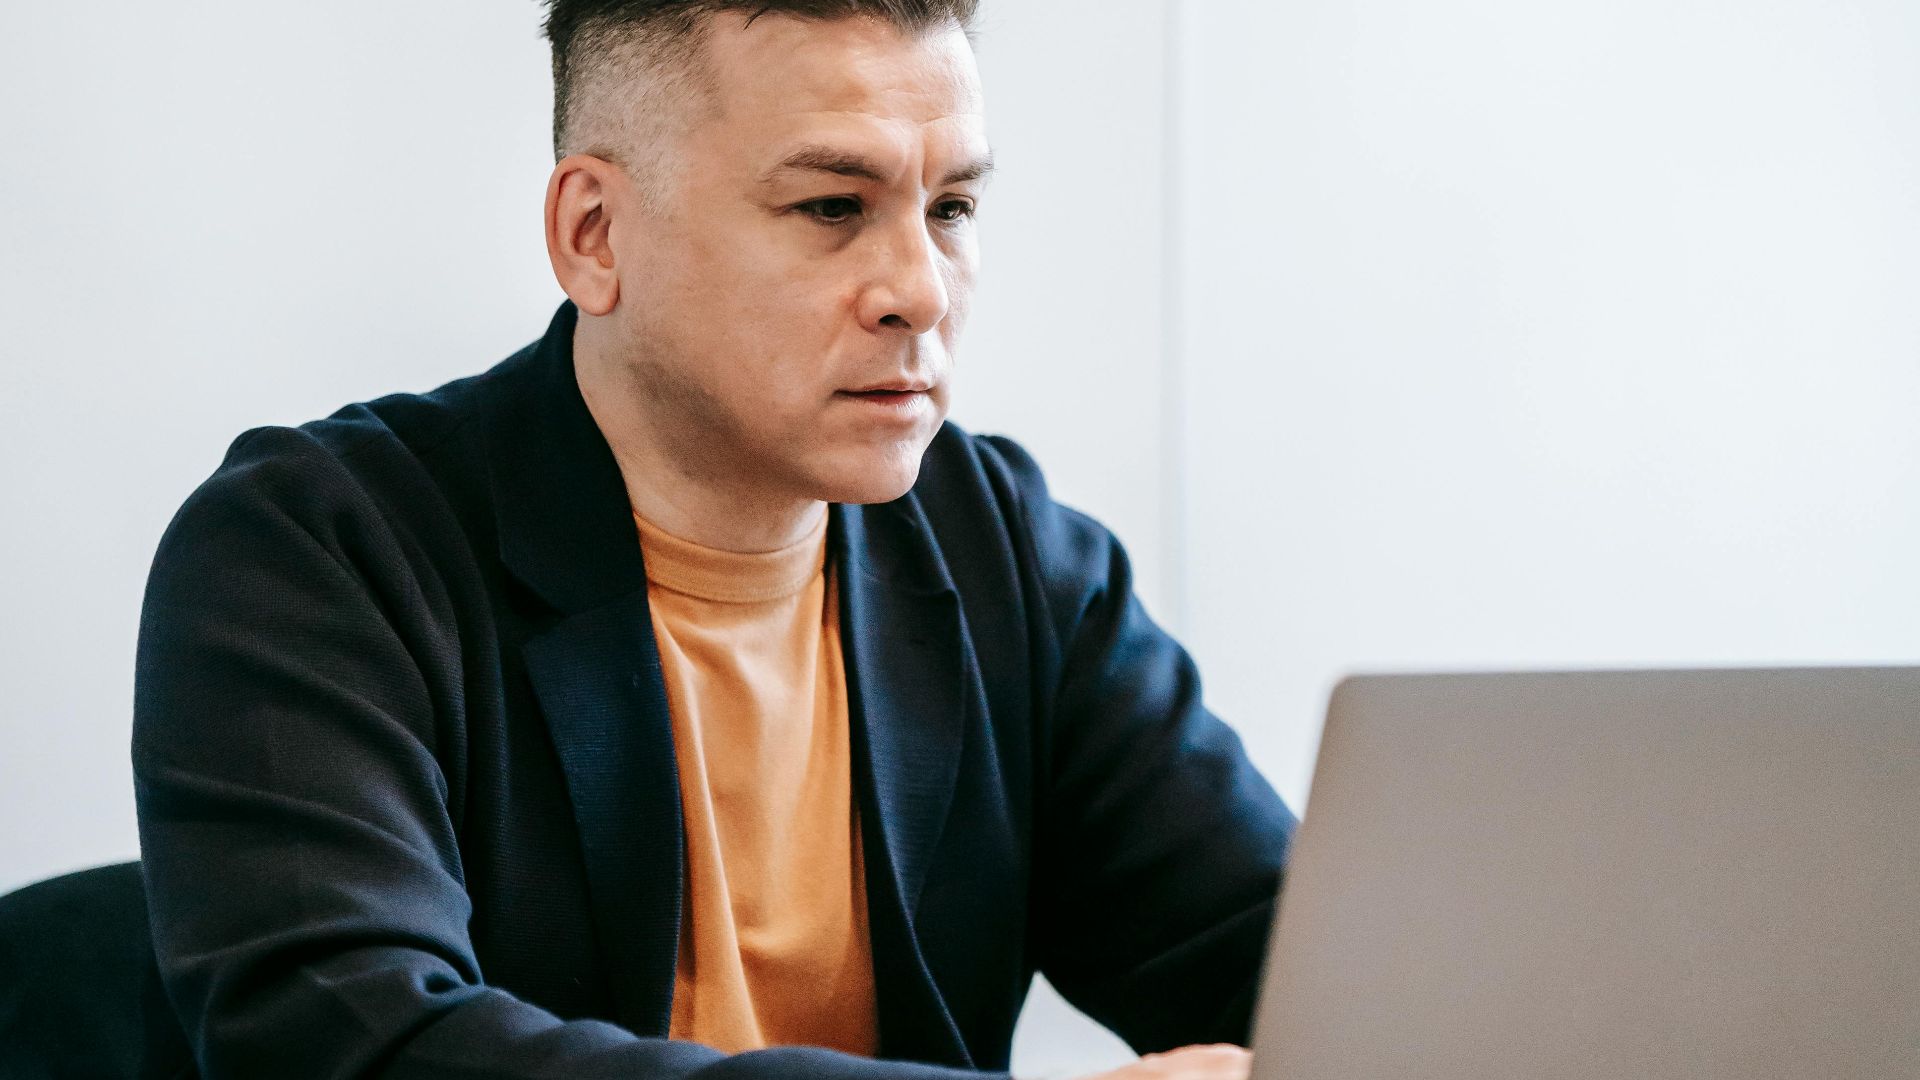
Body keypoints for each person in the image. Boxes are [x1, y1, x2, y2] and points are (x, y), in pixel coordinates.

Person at [131, 2, 1297, 1078]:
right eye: (833, 207)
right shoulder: (313, 553)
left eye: (950, 208)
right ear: (594, 234)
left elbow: (1301, 977)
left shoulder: (1014, 557)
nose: (921, 290)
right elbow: (350, 1043)